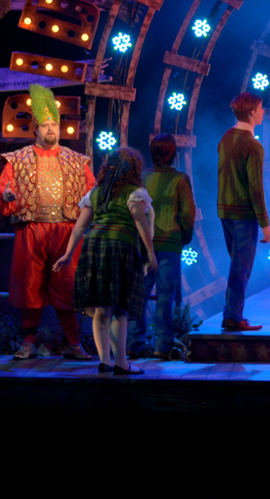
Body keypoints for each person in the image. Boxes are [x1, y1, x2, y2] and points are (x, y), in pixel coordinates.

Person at [0, 83, 96, 360]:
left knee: (66, 287)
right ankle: (28, 342)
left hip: (66, 231)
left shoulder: (77, 160)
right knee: (31, 288)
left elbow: (93, 194)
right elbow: (0, 193)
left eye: (54, 125)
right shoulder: (18, 159)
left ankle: (73, 344)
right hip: (32, 230)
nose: (50, 129)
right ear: (35, 129)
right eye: (45, 125)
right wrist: (8, 195)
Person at [54, 148, 157, 376]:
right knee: (119, 307)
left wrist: (69, 253)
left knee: (102, 308)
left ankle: (104, 361)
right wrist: (150, 253)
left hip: (94, 247)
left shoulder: (96, 192)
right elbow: (140, 220)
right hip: (120, 247)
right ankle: (121, 363)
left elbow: (81, 225)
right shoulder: (135, 192)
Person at [129, 133, 196, 358]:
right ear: (173, 153)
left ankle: (134, 343)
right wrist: (183, 238)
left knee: (140, 293)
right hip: (170, 244)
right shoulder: (180, 179)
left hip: (142, 243)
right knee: (166, 295)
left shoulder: (141, 177)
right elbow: (188, 214)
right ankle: (163, 344)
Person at [217, 92, 270, 331]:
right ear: (251, 112)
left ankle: (232, 313)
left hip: (225, 210)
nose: (263, 112)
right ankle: (232, 317)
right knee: (241, 267)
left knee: (237, 264)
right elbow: (255, 188)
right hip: (243, 214)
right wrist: (265, 223)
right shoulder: (252, 145)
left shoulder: (226, 138)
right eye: (261, 108)